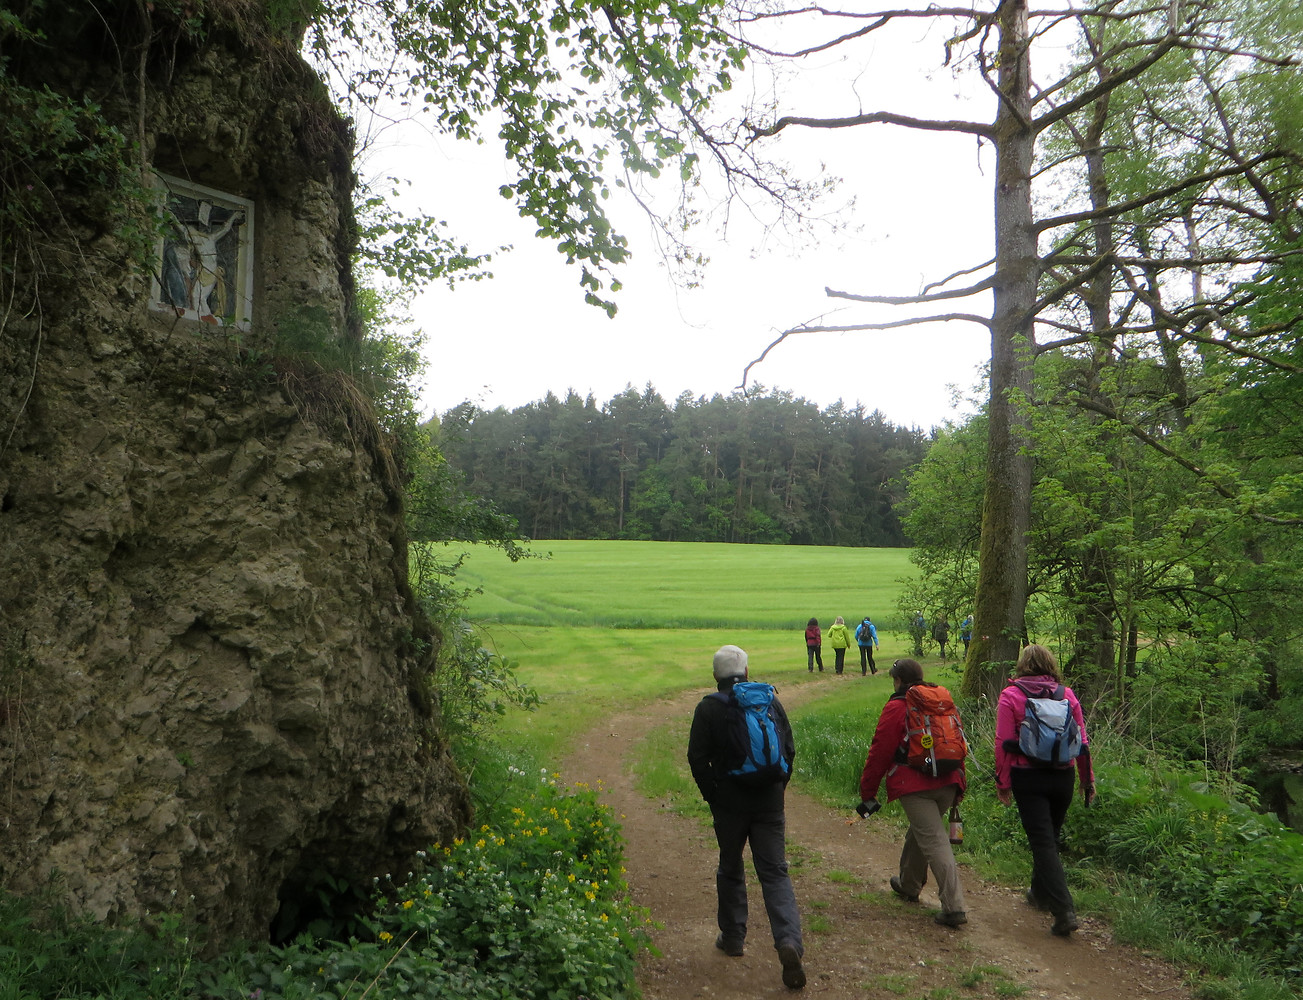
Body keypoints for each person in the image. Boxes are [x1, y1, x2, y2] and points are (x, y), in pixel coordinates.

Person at [688, 645, 806, 990]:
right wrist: (777, 788)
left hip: (729, 803)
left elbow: (697, 758)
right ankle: (788, 942)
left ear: (715, 676)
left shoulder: (708, 708)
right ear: (747, 671)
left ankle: (734, 937)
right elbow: (789, 749)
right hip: (769, 801)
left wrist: (713, 795)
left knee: (730, 865)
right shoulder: (769, 700)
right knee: (775, 873)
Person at [994, 644, 1096, 937]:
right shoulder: (1067, 695)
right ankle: (1038, 893)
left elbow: (1003, 743)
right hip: (1062, 777)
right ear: (1051, 665)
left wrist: (1003, 783)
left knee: (1043, 843)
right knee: (1049, 838)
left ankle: (1064, 909)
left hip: (1028, 778)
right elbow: (1083, 743)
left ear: (1022, 666)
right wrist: (1087, 781)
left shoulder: (1011, 696)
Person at [858, 658, 968, 927]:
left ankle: (954, 907)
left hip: (915, 785)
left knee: (934, 841)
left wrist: (867, 791)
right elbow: (957, 742)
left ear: (898, 681)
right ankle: (909, 884)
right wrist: (960, 784)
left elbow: (880, 751)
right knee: (922, 831)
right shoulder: (941, 703)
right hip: (949, 779)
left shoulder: (898, 707)